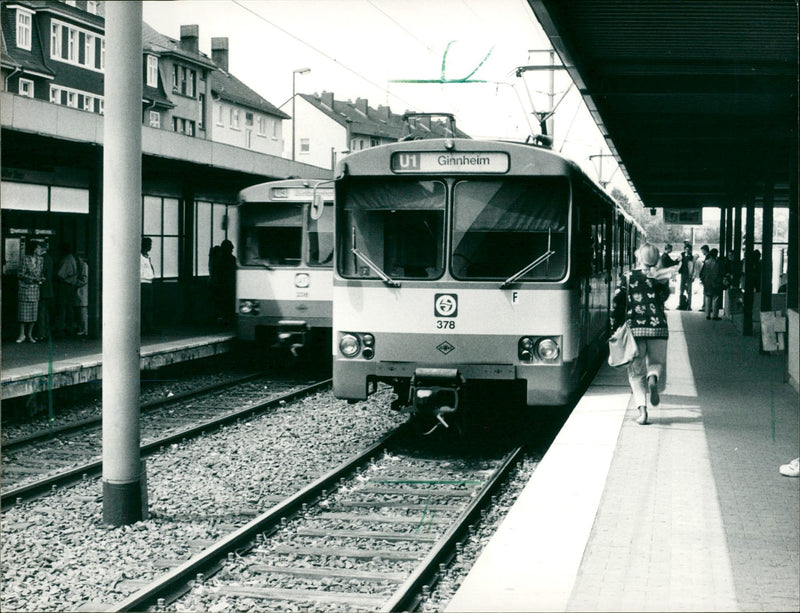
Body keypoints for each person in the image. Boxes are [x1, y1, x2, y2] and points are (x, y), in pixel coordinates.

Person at [611, 243, 670, 425]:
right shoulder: (662, 277)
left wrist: (614, 324)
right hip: (658, 327)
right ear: (656, 258)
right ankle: (653, 377)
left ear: (639, 257)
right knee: (657, 363)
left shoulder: (628, 277)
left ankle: (642, 413)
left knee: (636, 373)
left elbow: (617, 301)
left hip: (635, 328)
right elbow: (664, 298)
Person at [16, 240, 45, 343]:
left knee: (33, 313)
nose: (40, 249)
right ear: (33, 249)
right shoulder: (25, 259)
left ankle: (30, 334)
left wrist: (41, 278)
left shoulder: (40, 260)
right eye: (38, 247)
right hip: (25, 289)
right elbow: (20, 274)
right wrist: (32, 279)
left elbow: (40, 273)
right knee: (23, 314)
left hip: (35, 289)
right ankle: (21, 334)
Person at [54, 243, 78, 337]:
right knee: (69, 308)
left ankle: (61, 328)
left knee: (62, 307)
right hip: (71, 286)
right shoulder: (72, 258)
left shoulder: (66, 259)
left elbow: (60, 274)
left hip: (65, 286)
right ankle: (70, 327)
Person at [35, 242, 55, 341]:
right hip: (48, 289)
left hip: (43, 288)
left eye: (37, 247)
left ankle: (41, 334)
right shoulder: (49, 258)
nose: (36, 250)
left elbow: (41, 274)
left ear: (42, 248)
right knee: (45, 311)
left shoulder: (42, 259)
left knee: (41, 311)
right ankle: (45, 333)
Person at [140, 237, 159, 334]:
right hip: (142, 282)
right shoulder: (139, 257)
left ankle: (149, 326)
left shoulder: (147, 257)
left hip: (149, 282)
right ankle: (143, 327)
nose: (150, 247)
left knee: (149, 306)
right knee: (143, 306)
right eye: (149, 244)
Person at [700, 248, 724, 320]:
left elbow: (702, 273)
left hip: (707, 283)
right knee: (715, 298)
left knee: (708, 298)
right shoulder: (718, 263)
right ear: (716, 254)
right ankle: (715, 315)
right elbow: (721, 273)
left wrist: (704, 281)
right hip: (716, 283)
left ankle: (707, 314)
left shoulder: (706, 262)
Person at [74, 251, 89, 336]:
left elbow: (84, 280)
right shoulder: (84, 266)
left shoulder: (84, 266)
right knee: (82, 310)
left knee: (83, 311)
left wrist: (75, 282)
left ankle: (85, 329)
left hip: (82, 290)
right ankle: (84, 329)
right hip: (83, 290)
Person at [677, 243, 695, 310]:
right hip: (683, 274)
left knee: (689, 290)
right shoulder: (681, 255)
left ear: (690, 250)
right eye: (686, 249)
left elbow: (693, 267)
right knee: (681, 289)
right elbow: (677, 262)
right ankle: (681, 304)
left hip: (688, 275)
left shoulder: (691, 257)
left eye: (688, 249)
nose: (687, 250)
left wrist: (692, 276)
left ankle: (689, 305)